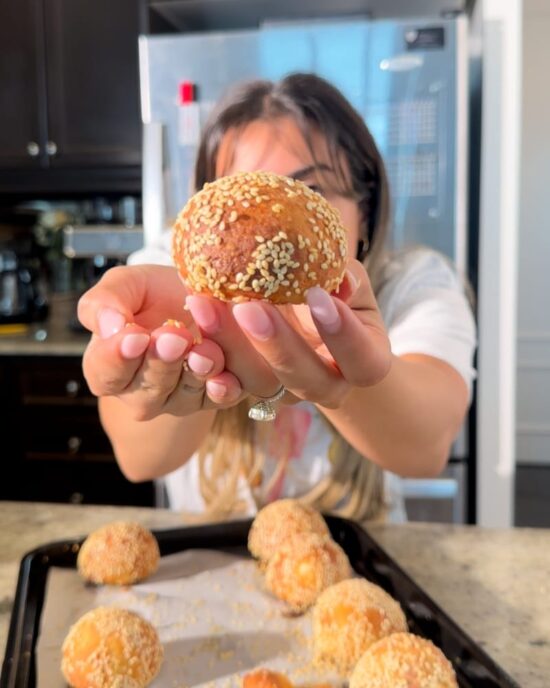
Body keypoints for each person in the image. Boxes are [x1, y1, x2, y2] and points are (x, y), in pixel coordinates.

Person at [78, 73, 476, 523]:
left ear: (364, 213)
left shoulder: (414, 284)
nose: (271, 225)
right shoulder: (170, 271)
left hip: (355, 557)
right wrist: (186, 341)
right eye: (243, 202)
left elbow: (425, 448)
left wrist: (344, 355)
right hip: (210, 565)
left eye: (311, 190)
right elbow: (140, 461)